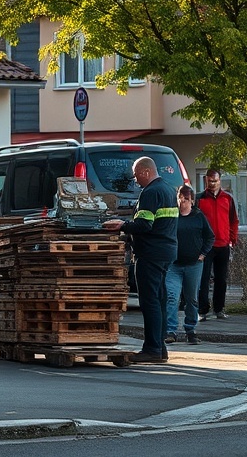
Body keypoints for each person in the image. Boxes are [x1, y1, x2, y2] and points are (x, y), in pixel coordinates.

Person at [102, 156, 178, 364]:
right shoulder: (169, 190)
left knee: (150, 301)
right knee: (160, 300)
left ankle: (152, 349)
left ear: (145, 172)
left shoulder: (150, 192)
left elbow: (145, 225)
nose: (135, 181)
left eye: (136, 176)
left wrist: (122, 225)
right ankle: (160, 348)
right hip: (166, 251)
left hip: (150, 253)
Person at [164, 184, 213, 346]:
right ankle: (170, 330)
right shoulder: (172, 216)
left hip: (193, 265)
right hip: (174, 265)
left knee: (191, 299)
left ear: (192, 201)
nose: (182, 202)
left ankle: (190, 329)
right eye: (180, 198)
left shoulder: (198, 217)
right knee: (172, 296)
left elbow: (209, 237)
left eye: (186, 199)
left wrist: (202, 254)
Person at [197, 168, 239, 321]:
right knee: (204, 278)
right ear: (205, 181)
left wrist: (232, 239)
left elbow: (234, 220)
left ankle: (219, 309)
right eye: (209, 181)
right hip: (206, 246)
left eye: (215, 181)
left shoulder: (228, 199)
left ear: (220, 181)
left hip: (223, 244)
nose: (212, 184)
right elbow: (195, 222)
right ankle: (202, 310)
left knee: (221, 279)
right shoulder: (199, 199)